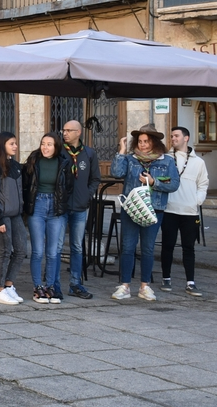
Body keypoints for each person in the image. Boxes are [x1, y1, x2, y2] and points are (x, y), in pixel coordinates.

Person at [111, 123, 179, 301]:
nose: (142, 145)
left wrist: (153, 181)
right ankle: (125, 286)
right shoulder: (131, 159)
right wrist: (122, 151)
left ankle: (145, 286)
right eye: (140, 141)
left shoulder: (167, 161)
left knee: (148, 249)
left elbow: (174, 185)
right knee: (127, 247)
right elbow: (116, 172)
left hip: (154, 209)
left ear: (154, 142)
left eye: (146, 141)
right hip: (132, 208)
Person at [23, 132, 73, 304]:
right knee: (37, 251)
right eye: (43, 143)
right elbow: (26, 184)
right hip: (37, 205)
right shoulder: (33, 160)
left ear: (56, 146)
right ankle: (38, 287)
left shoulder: (64, 163)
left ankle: (50, 287)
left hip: (56, 208)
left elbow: (69, 186)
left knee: (53, 252)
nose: (45, 147)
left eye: (49, 144)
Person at [160, 126, 209, 297]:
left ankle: (191, 282)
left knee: (189, 247)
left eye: (176, 136)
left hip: (189, 212)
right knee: (167, 245)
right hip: (170, 210)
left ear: (186, 138)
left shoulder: (198, 162)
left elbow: (203, 184)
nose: (173, 138)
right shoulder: (166, 158)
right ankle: (166, 278)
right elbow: (160, 179)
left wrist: (197, 201)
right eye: (172, 136)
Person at [58, 120, 100, 299]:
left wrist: (87, 194)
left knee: (77, 246)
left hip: (80, 207)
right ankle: (53, 282)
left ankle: (75, 282)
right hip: (61, 207)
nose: (65, 133)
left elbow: (95, 178)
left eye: (69, 130)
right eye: (64, 130)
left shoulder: (89, 153)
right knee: (56, 246)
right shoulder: (59, 151)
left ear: (79, 132)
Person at [0, 131, 26, 305]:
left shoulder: (15, 165)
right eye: (11, 143)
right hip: (2, 215)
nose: (15, 146)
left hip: (16, 215)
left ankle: (9, 285)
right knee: (5, 251)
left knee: (22, 250)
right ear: (2, 145)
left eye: (15, 143)